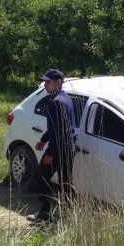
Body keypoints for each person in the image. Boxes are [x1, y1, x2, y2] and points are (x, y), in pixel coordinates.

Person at [28, 68, 77, 223]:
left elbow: (60, 131)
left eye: (48, 82)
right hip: (68, 146)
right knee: (66, 182)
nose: (45, 85)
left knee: (42, 176)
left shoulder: (57, 102)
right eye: (45, 81)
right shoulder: (64, 98)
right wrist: (43, 139)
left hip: (60, 148)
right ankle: (67, 216)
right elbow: (55, 127)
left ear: (58, 82)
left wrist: (50, 153)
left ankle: (44, 214)